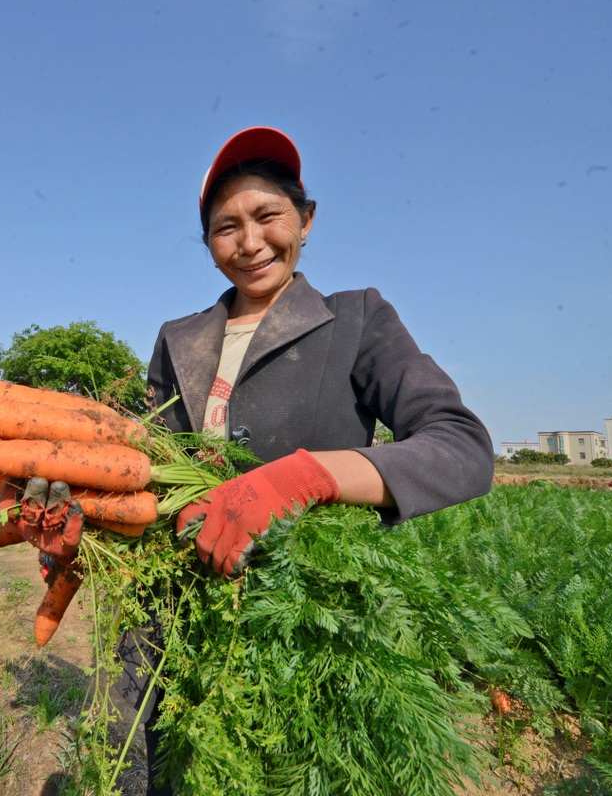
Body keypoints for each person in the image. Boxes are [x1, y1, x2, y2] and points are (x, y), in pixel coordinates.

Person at [129, 126, 495, 793]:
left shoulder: (355, 320)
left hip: (311, 628)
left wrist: (308, 475)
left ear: (307, 219)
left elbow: (461, 447)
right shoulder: (176, 340)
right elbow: (145, 472)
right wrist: (84, 521)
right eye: (225, 227)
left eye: (268, 216)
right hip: (181, 623)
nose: (249, 243)